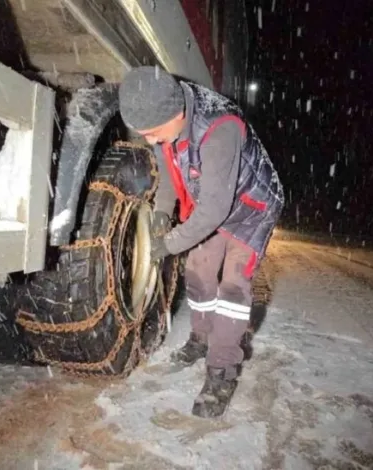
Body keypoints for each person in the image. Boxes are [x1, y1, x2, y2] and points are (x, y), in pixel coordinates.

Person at [117, 66, 284, 418]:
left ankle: (221, 372)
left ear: (177, 114)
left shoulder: (220, 128)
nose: (150, 140)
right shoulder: (169, 115)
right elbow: (168, 169)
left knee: (234, 289)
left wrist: (169, 243)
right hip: (216, 201)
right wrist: (163, 212)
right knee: (197, 271)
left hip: (252, 207)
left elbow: (213, 210)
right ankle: (200, 338)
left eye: (153, 133)